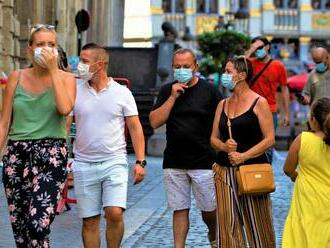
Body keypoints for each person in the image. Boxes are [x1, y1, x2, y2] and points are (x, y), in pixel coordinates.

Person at [1, 24, 76, 247]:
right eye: (40, 44)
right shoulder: (16, 77)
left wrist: (53, 71)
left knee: (38, 224)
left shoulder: (66, 78)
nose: (46, 49)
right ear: (29, 49)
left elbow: (64, 109)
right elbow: (4, 121)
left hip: (51, 155)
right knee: (22, 229)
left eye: (51, 45)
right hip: (17, 155)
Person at [68, 43, 146, 248]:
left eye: (84, 61)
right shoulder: (75, 91)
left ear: (100, 64)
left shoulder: (122, 93)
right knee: (90, 220)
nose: (80, 66)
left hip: (114, 161)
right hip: (83, 163)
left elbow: (136, 128)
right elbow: (65, 127)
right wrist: (66, 160)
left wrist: (140, 162)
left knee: (114, 212)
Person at [149, 48, 221, 248]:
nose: (182, 70)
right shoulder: (166, 91)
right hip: (174, 160)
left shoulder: (210, 91)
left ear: (195, 67)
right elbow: (154, 122)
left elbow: (221, 122)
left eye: (186, 67)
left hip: (204, 161)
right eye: (177, 67)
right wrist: (172, 98)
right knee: (179, 209)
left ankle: (214, 234)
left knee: (209, 210)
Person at [211, 56, 276, 247]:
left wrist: (243, 156)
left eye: (228, 72)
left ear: (242, 75)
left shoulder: (259, 102)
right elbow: (213, 138)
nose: (225, 75)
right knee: (227, 226)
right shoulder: (222, 104)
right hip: (223, 171)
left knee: (258, 226)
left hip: (252, 170)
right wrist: (223, 146)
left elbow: (270, 139)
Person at [282, 97, 330, 247]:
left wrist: (297, 176)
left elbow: (288, 169)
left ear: (313, 120)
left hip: (306, 201)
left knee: (300, 237)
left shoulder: (302, 139)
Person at [246, 36, 290, 128]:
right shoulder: (249, 63)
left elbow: (284, 90)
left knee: (268, 141)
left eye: (260, 47)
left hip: (270, 110)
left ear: (268, 47)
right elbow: (237, 65)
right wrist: (250, 50)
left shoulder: (278, 66)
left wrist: (286, 113)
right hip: (250, 109)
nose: (257, 50)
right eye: (255, 48)